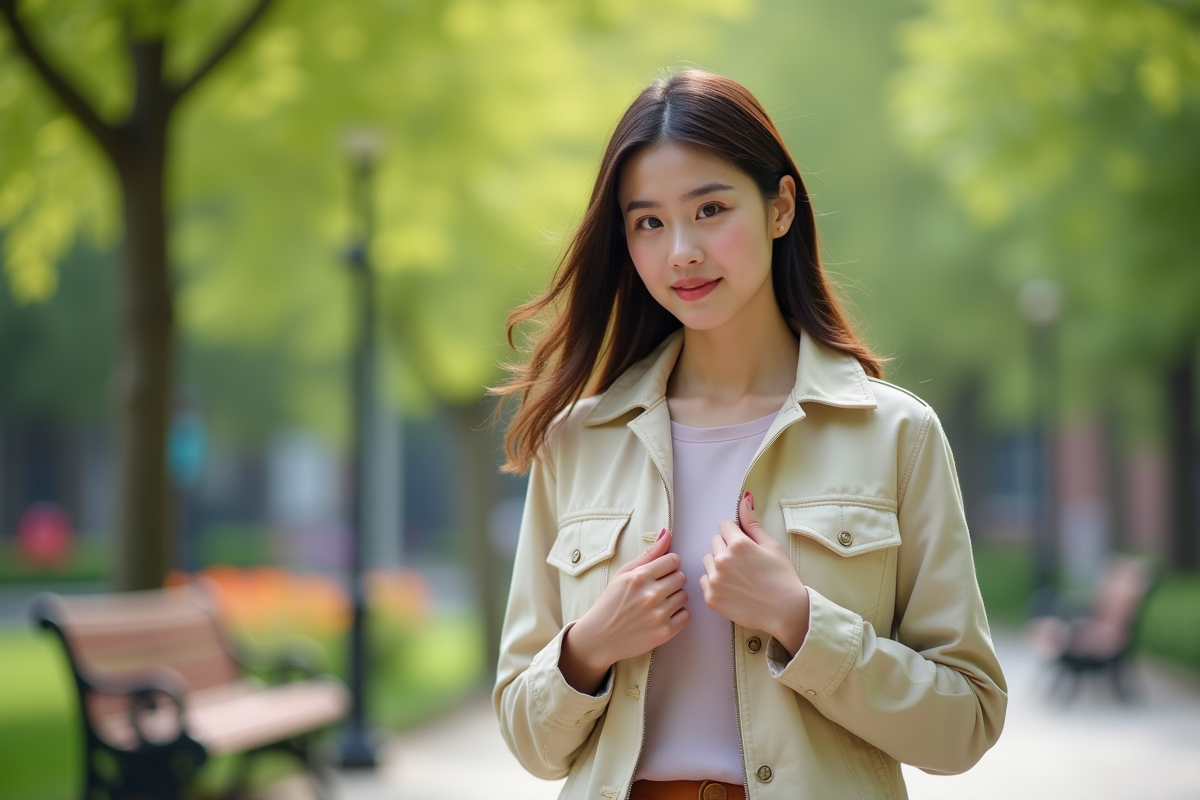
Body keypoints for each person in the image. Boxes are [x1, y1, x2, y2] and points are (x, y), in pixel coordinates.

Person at [491, 70, 1006, 800]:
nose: (682, 253)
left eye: (709, 209)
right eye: (648, 222)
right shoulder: (578, 441)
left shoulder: (896, 435)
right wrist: (590, 645)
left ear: (780, 207)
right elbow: (527, 740)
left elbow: (966, 725)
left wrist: (802, 621)